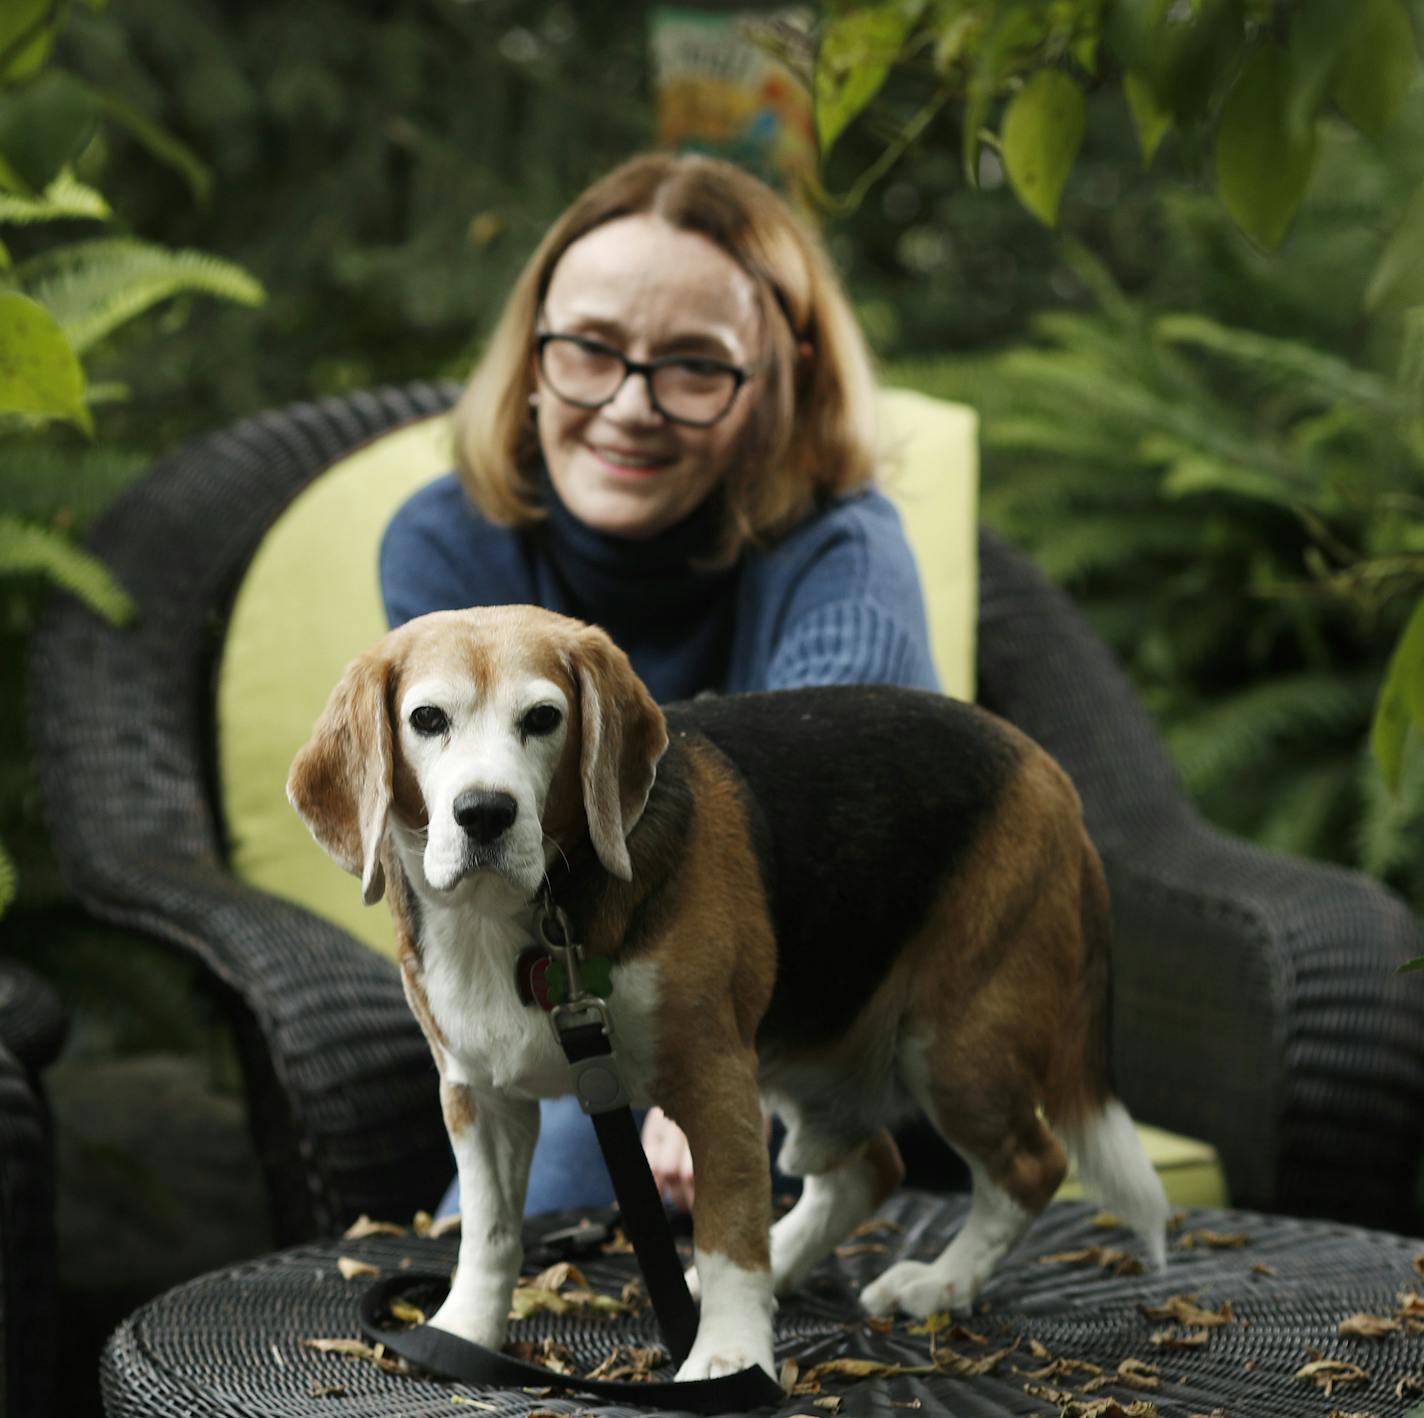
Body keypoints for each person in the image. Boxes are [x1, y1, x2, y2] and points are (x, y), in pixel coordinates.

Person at [379, 151, 941, 1219]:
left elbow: (817, 846)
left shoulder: (842, 555)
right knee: (519, 1256)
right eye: (589, 348)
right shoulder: (446, 545)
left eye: (693, 365)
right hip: (543, 1004)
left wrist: (690, 1072)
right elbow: (466, 865)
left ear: (780, 377)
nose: (630, 406)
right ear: (533, 357)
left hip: (825, 1028)